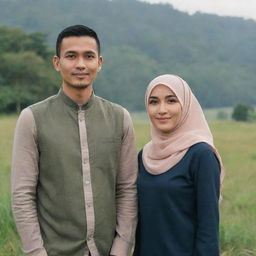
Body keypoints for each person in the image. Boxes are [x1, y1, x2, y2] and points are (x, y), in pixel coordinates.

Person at [11, 25, 137, 256]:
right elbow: (22, 196)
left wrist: (121, 248)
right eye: (71, 56)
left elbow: (127, 189)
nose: (80, 64)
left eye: (88, 56)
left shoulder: (120, 118)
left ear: (99, 62)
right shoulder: (32, 118)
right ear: (57, 63)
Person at [133, 74, 224, 256]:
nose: (162, 109)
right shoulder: (144, 156)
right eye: (153, 102)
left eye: (171, 101)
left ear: (186, 105)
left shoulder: (201, 155)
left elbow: (208, 229)